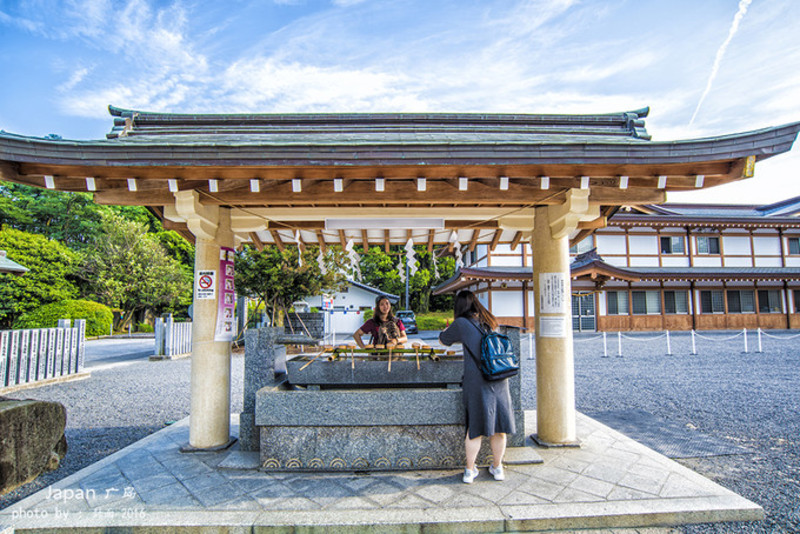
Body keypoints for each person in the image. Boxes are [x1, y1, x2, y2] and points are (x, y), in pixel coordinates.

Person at [439, 290, 516, 483]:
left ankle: (469, 470)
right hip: (499, 376)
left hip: (477, 381)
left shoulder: (461, 323)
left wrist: (446, 329)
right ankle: (497, 468)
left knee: (475, 427)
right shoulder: (490, 319)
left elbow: (443, 340)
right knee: (499, 427)